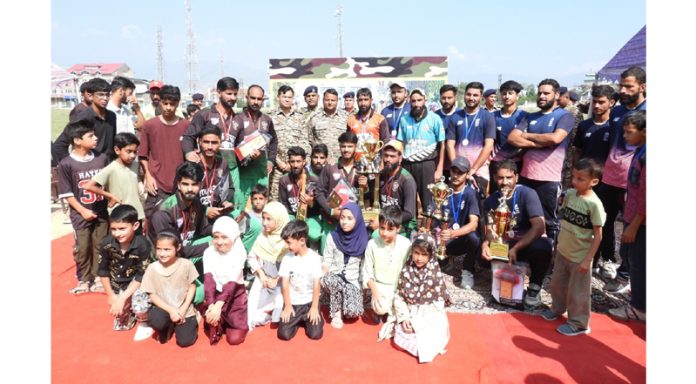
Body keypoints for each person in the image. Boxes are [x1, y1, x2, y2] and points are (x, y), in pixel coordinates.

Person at [541, 158, 606, 336]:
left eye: (580, 179)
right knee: (557, 284)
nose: (574, 181)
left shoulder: (594, 205)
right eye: (573, 177)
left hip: (580, 256)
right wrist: (557, 249)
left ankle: (579, 323)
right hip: (563, 250)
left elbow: (598, 235)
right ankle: (557, 308)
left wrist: (587, 259)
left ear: (594, 181)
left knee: (578, 292)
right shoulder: (570, 194)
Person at [507, 78, 575, 243]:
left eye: (546, 93)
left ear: (556, 95)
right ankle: (524, 255)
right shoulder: (530, 117)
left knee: (548, 221)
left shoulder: (564, 116)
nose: (542, 96)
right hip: (526, 176)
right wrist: (538, 143)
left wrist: (528, 136)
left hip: (549, 180)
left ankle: (548, 260)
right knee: (522, 217)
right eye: (539, 93)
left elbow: (555, 138)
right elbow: (512, 138)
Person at [482, 160, 553, 308]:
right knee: (480, 254)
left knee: (544, 247)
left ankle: (534, 287)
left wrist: (516, 248)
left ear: (516, 177)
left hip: (525, 244)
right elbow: (490, 230)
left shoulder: (527, 193)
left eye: (509, 177)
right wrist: (486, 243)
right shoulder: (490, 201)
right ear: (494, 178)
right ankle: (507, 277)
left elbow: (539, 227)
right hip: (505, 244)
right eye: (501, 178)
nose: (504, 182)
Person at [600, 67, 646, 293]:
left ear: (642, 87)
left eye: (629, 86)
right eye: (622, 86)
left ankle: (627, 275)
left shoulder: (648, 112)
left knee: (631, 231)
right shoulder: (617, 111)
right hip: (609, 176)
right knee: (604, 223)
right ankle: (608, 261)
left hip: (634, 182)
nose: (624, 90)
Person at [57, 119, 109, 295]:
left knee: (100, 245)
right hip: (81, 214)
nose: (95, 138)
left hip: (101, 212)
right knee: (82, 247)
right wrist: (83, 210)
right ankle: (84, 279)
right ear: (77, 140)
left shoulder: (101, 158)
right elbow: (67, 193)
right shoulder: (66, 164)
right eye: (90, 136)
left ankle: (98, 278)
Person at [608, 110, 646, 322]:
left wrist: (633, 225)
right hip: (633, 216)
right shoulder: (640, 150)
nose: (624, 137)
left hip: (640, 221)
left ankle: (639, 308)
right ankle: (640, 296)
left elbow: (647, 195)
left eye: (629, 132)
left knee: (638, 261)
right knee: (632, 258)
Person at [96, 205, 153, 340]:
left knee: (140, 305)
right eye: (114, 229)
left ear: (135, 226)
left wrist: (123, 298)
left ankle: (144, 321)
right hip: (117, 284)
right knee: (121, 324)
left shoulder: (142, 244)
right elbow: (103, 271)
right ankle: (128, 311)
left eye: (122, 229)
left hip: (138, 284)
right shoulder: (106, 244)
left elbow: (141, 275)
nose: (117, 233)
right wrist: (111, 296)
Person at [393, 235, 450, 363]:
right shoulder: (407, 270)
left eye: (424, 255)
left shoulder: (434, 274)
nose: (419, 258)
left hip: (428, 316)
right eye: (416, 253)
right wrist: (404, 318)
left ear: (431, 256)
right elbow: (399, 297)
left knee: (429, 340)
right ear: (411, 252)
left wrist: (417, 324)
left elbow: (438, 308)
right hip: (410, 311)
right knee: (399, 338)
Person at [138, 84, 190, 223]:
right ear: (160, 102)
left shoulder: (185, 126)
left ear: (178, 103)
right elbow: (143, 155)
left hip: (180, 184)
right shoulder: (149, 125)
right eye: (165, 103)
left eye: (172, 104)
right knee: (153, 221)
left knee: (179, 222)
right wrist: (148, 177)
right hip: (157, 184)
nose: (168, 107)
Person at [362, 205, 412, 340]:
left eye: (390, 229)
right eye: (382, 228)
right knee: (380, 308)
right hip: (380, 287)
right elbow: (367, 273)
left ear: (398, 228)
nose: (385, 233)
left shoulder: (406, 244)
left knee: (412, 312)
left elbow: (410, 272)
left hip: (399, 288)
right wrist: (375, 293)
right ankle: (386, 313)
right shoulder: (372, 244)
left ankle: (395, 314)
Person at [140, 232, 199, 347]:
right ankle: (167, 326)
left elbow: (192, 286)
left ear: (177, 248)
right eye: (159, 249)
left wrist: (183, 309)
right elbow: (152, 295)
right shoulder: (152, 268)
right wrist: (171, 311)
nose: (162, 253)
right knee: (156, 320)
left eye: (167, 249)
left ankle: (194, 318)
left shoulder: (186, 265)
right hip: (163, 308)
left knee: (185, 341)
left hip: (184, 309)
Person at [149, 162, 212, 268]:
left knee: (224, 239)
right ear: (178, 184)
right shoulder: (164, 212)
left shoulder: (196, 202)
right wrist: (210, 245)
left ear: (200, 185)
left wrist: (222, 231)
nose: (190, 189)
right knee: (216, 246)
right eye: (185, 184)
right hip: (164, 261)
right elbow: (169, 250)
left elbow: (203, 229)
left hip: (186, 248)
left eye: (194, 184)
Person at [201, 216, 249, 345]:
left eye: (224, 237)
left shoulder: (239, 252)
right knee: (210, 324)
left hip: (235, 297)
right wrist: (211, 305)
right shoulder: (209, 252)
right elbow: (209, 279)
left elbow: (232, 284)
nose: (219, 242)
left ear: (233, 236)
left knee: (234, 339)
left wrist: (217, 307)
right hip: (216, 296)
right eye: (215, 237)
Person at [397, 88, 446, 209]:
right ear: (409, 102)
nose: (416, 104)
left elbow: (442, 145)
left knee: (428, 202)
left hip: (427, 165)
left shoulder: (435, 118)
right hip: (407, 164)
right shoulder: (404, 120)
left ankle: (429, 228)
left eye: (419, 100)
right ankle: (410, 227)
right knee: (408, 201)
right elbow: (400, 144)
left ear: (425, 100)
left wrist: (439, 169)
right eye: (413, 101)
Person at [322, 203, 368, 328]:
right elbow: (327, 260)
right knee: (331, 280)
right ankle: (337, 313)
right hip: (334, 278)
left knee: (353, 313)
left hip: (352, 282)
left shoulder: (363, 241)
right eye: (342, 217)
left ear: (357, 220)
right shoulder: (333, 237)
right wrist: (324, 279)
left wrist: (362, 294)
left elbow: (363, 269)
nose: (344, 222)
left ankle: (343, 305)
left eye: (349, 218)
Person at [445, 82, 496, 194]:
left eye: (475, 95)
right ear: (464, 95)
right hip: (459, 172)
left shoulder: (488, 117)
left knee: (480, 203)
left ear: (481, 97)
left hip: (479, 170)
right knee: (458, 202)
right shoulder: (455, 117)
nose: (471, 98)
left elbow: (488, 146)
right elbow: (450, 145)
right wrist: (456, 168)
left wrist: (473, 170)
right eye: (468, 94)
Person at [233, 84, 278, 211]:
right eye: (253, 98)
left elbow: (274, 141)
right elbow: (231, 145)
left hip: (261, 174)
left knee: (261, 210)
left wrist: (271, 160)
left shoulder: (267, 120)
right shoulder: (238, 119)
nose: (256, 102)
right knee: (240, 209)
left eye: (259, 99)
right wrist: (243, 155)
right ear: (247, 97)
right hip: (243, 174)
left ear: (263, 100)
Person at [277, 220, 325, 340]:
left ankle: (312, 318)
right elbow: (285, 284)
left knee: (315, 334)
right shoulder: (287, 259)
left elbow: (316, 284)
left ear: (302, 241)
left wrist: (314, 307)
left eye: (289, 243)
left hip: (309, 303)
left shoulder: (314, 258)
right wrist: (287, 306)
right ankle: (298, 320)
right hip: (293, 303)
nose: (286, 246)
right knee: (284, 335)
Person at [84, 132, 145, 223]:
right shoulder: (111, 168)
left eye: (135, 152)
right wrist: (110, 196)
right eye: (129, 151)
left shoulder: (135, 164)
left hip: (137, 213)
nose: (133, 155)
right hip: (120, 215)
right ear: (117, 150)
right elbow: (88, 186)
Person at [246, 202, 290, 329]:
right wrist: (261, 274)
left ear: (279, 220)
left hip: (283, 282)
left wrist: (277, 280)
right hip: (265, 279)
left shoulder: (288, 241)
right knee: (253, 314)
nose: (264, 223)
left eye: (269, 219)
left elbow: (292, 268)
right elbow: (252, 257)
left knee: (282, 307)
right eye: (263, 218)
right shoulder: (262, 237)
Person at [359, 140, 417, 235]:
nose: (388, 159)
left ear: (400, 158)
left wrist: (384, 222)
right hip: (382, 220)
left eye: (392, 156)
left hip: (401, 226)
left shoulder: (407, 180)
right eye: (386, 155)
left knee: (375, 235)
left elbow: (409, 213)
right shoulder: (380, 174)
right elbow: (370, 197)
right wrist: (364, 187)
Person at [440, 157, 481, 289]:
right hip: (442, 239)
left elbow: (474, 223)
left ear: (467, 174)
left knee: (474, 238)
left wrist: (453, 233)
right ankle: (444, 259)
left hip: (460, 238)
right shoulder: (441, 190)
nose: (456, 175)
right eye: (454, 171)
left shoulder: (471, 194)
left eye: (460, 172)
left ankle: (467, 270)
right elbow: (431, 216)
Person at [53, 78, 117, 162]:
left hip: (109, 166)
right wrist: (72, 166)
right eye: (100, 94)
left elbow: (111, 144)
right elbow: (59, 145)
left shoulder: (112, 116)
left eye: (107, 95)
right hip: (91, 168)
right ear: (90, 96)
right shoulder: (83, 117)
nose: (105, 98)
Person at [269, 85, 311, 200]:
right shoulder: (270, 117)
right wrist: (279, 163)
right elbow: (268, 143)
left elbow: (305, 141)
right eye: (284, 96)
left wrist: (298, 162)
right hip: (277, 168)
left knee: (296, 198)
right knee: (275, 199)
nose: (287, 99)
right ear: (278, 97)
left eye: (290, 97)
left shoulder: (300, 117)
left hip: (296, 167)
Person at [278, 146, 323, 248]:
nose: (295, 165)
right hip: (292, 216)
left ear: (304, 162)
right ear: (288, 162)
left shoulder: (314, 179)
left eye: (298, 161)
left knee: (315, 235)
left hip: (310, 216)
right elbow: (284, 205)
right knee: (287, 230)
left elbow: (319, 207)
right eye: (292, 161)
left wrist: (311, 202)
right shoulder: (284, 180)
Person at [490, 80, 528, 195]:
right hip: (496, 163)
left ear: (517, 96)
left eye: (510, 93)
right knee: (496, 195)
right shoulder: (492, 116)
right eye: (504, 93)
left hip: (517, 163)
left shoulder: (525, 116)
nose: (507, 96)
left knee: (515, 195)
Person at [316, 132, 361, 224]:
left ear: (355, 147)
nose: (346, 150)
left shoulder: (362, 168)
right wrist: (330, 211)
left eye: (350, 146)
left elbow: (369, 195)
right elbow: (318, 192)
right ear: (339, 147)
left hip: (354, 219)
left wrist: (366, 187)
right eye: (343, 146)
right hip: (332, 219)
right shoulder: (330, 167)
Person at [195, 124, 234, 220]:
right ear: (199, 142)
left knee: (251, 223)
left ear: (220, 143)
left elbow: (230, 188)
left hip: (218, 211)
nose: (210, 147)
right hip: (197, 214)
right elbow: (183, 196)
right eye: (206, 142)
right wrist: (205, 210)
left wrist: (225, 202)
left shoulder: (223, 163)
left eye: (214, 143)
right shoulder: (192, 164)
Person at [571, 85, 615, 165]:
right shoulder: (584, 125)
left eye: (601, 102)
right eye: (594, 102)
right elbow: (578, 151)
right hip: (586, 173)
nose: (596, 105)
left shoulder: (615, 126)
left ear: (611, 103)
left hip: (607, 174)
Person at [308, 88, 351, 163]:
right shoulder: (314, 117)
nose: (330, 103)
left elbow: (350, 140)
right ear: (323, 100)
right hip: (320, 162)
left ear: (337, 101)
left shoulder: (346, 117)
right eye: (327, 100)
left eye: (333, 100)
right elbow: (309, 140)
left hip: (341, 161)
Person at [347, 87, 390, 158]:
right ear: (357, 101)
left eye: (366, 100)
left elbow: (385, 142)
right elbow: (348, 142)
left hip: (374, 160)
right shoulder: (351, 120)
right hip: (356, 161)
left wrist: (382, 162)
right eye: (360, 100)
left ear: (371, 100)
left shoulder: (380, 119)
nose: (363, 103)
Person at [240, 184, 268, 253]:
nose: (258, 202)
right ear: (251, 200)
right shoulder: (246, 218)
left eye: (261, 199)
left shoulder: (270, 217)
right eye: (255, 199)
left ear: (266, 200)